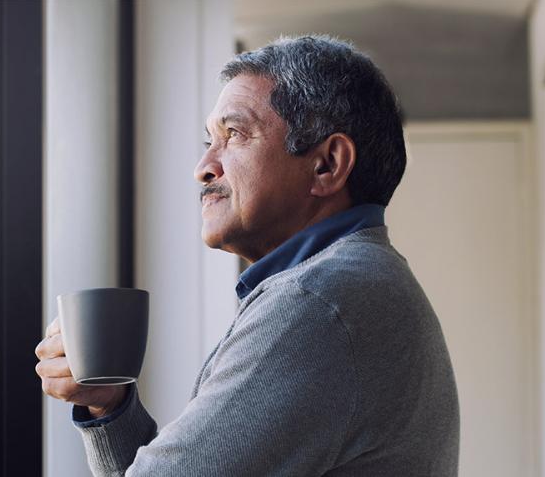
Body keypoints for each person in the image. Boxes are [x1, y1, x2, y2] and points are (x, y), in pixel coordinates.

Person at [35, 35, 459, 476]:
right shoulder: (357, 284)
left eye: (233, 135)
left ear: (327, 165)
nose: (203, 167)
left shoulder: (318, 302)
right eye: (208, 141)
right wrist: (109, 407)